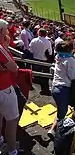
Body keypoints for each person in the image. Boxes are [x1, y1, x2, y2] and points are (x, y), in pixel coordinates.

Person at [48, 39, 75, 138]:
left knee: (61, 112)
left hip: (55, 87)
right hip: (62, 89)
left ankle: (53, 130)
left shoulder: (58, 56)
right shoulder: (70, 59)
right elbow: (73, 76)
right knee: (62, 113)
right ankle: (57, 134)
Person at [0, 19, 19, 155]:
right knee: (12, 121)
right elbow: (14, 68)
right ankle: (12, 151)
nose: (8, 32)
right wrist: (5, 47)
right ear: (1, 31)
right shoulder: (0, 49)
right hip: (4, 89)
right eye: (6, 29)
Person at [28, 28, 53, 94]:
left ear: (39, 33)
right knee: (45, 76)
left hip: (35, 60)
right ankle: (45, 89)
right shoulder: (47, 42)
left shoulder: (34, 40)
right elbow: (50, 53)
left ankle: (41, 88)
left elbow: (30, 50)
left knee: (37, 75)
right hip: (44, 61)